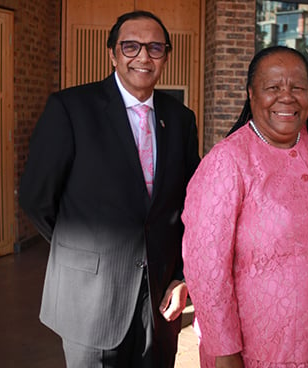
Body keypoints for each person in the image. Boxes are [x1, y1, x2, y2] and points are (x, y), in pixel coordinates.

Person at [19, 10, 200, 368]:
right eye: (130, 46)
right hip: (90, 296)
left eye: (155, 48)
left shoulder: (180, 118)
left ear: (166, 55)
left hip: (159, 298)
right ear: (113, 54)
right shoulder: (70, 108)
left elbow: (189, 203)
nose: (143, 57)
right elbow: (36, 198)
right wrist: (84, 248)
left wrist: (182, 274)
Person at [182, 46, 308, 368]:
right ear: (251, 94)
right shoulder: (228, 161)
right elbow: (206, 269)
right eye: (273, 88)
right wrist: (225, 353)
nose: (287, 97)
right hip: (270, 346)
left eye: (298, 87)